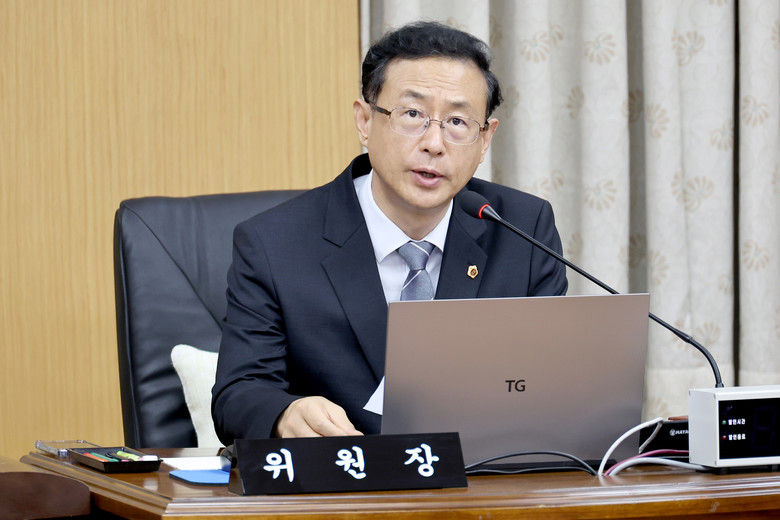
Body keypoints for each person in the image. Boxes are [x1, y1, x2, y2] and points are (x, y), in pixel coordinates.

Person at [211, 21, 568, 444]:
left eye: (457, 121)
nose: (434, 143)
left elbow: (551, 382)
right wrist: (285, 414)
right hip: (346, 475)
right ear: (365, 121)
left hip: (480, 474)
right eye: (412, 115)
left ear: (485, 139)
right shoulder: (273, 243)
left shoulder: (523, 229)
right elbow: (239, 393)